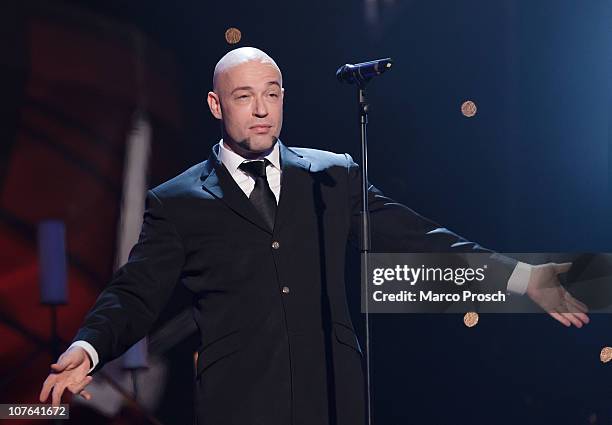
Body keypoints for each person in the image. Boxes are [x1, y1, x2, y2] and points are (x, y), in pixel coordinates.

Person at [39, 47, 589, 425]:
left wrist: (521, 277)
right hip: (240, 406)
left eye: (272, 94)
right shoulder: (178, 200)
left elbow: (415, 235)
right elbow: (137, 290)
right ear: (216, 106)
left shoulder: (330, 174)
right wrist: (90, 347)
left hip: (335, 400)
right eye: (243, 96)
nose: (261, 109)